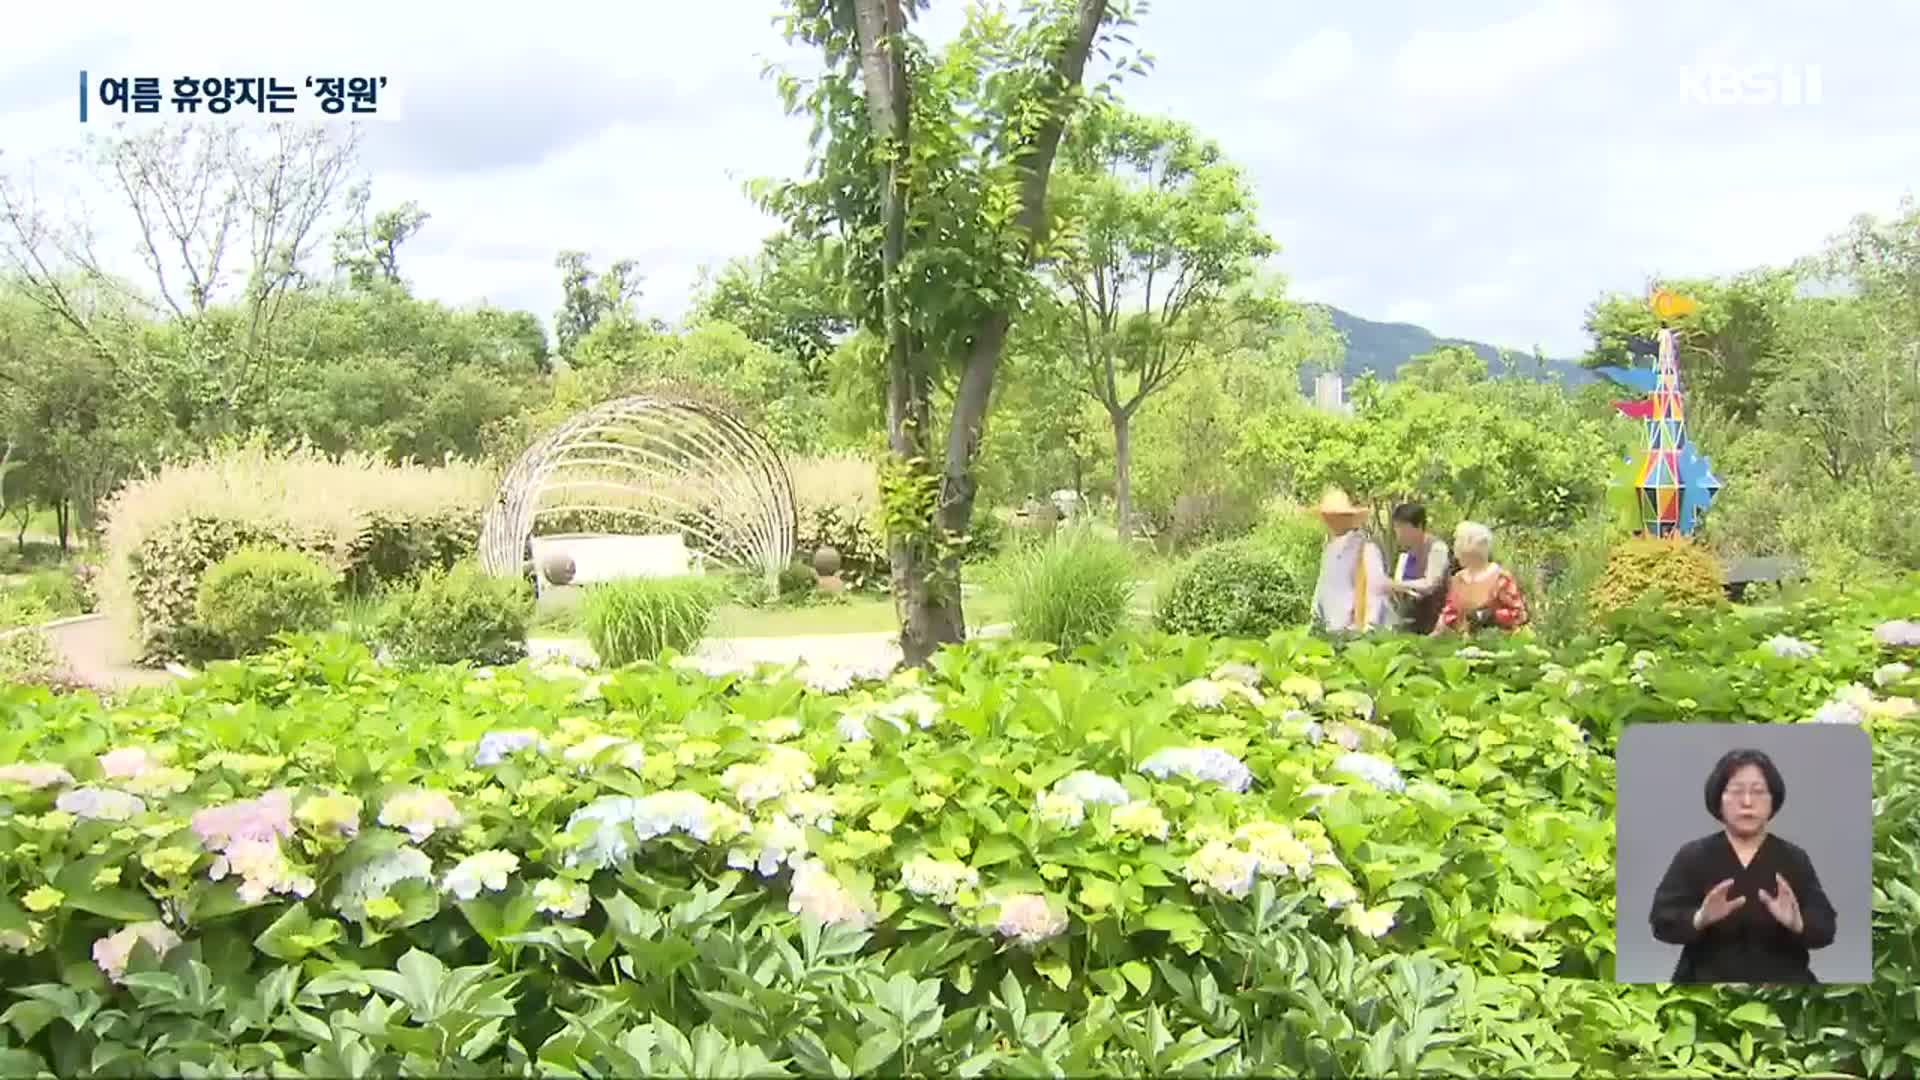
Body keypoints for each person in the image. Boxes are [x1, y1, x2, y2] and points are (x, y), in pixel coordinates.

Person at [1647, 748, 1838, 983]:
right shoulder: (1693, 856)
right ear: (1718, 798)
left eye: (1758, 792)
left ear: (1773, 800)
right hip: (1706, 984)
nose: (1747, 802)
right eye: (1736, 792)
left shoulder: (1794, 858)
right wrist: (1700, 918)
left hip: (1783, 987)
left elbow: (1826, 926)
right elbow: (1661, 921)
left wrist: (1798, 923)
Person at [1310, 488, 1391, 635]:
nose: (1331, 521)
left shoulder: (1367, 549)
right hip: (1330, 633)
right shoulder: (1329, 551)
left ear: (1349, 518)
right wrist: (1315, 621)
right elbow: (1321, 590)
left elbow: (1376, 592)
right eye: (1328, 516)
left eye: (1337, 516)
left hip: (1355, 635)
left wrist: (1369, 631)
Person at [1431, 521, 1529, 636]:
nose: (1457, 551)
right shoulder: (1457, 580)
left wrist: (1491, 616)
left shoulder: (1500, 578)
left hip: (1498, 644)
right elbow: (1450, 614)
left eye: (1461, 544)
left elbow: (1518, 614)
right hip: (1462, 646)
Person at [1387, 503, 1451, 634]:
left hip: (1435, 621)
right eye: (1397, 528)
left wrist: (1397, 584)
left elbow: (1430, 584)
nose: (1400, 534)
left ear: (1419, 527)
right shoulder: (1404, 553)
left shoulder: (1436, 548)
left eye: (1405, 529)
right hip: (1408, 621)